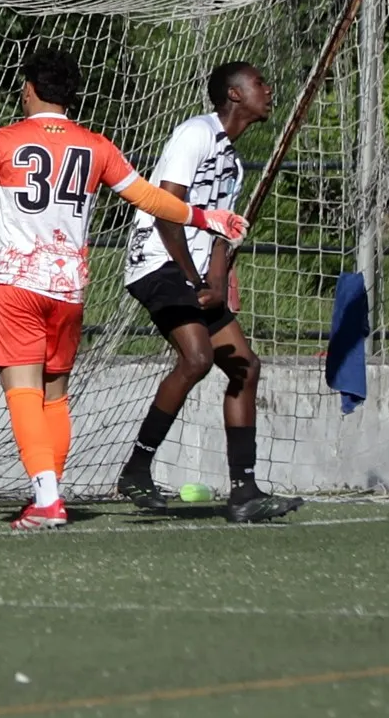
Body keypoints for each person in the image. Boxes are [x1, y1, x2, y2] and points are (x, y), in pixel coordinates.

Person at [0, 47, 247, 529]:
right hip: (68, 290)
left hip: (18, 285)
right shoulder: (96, 145)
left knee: (22, 392)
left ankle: (46, 500)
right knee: (54, 396)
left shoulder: (2, 141)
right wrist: (208, 217)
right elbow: (148, 197)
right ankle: (49, 491)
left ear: (30, 88)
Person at [115, 61, 304, 524]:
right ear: (234, 95)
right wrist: (192, 278)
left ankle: (244, 491)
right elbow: (165, 211)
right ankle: (136, 470)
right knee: (197, 359)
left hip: (193, 272)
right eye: (260, 83)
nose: (269, 90)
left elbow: (220, 232)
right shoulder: (194, 134)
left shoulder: (234, 163)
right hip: (158, 262)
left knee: (245, 366)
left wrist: (216, 285)